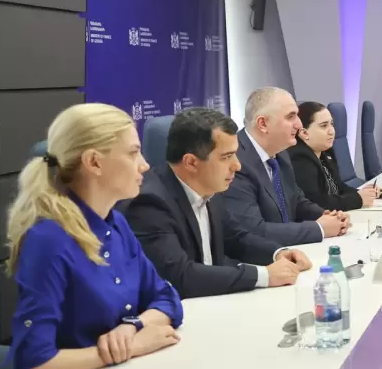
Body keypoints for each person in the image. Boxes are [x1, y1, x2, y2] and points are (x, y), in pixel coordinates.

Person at [5, 104, 183, 369]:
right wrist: (129, 348)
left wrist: (132, 326)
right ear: (94, 162)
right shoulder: (48, 241)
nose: (144, 165)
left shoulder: (116, 223)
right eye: (132, 153)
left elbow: (167, 298)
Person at [122, 108, 314, 299]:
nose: (237, 165)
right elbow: (180, 276)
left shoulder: (209, 186)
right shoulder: (150, 203)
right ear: (191, 162)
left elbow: (236, 238)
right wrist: (264, 276)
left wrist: (278, 253)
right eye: (226, 157)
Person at [216, 87, 349, 246]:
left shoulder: (281, 153)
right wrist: (319, 229)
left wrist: (328, 216)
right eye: (290, 117)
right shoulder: (236, 162)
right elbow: (252, 231)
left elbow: (296, 200)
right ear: (263, 123)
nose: (299, 124)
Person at [289, 101, 378, 212]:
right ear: (304, 133)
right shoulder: (299, 159)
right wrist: (358, 199)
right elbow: (318, 203)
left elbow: (339, 187)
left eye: (332, 124)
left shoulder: (326, 151)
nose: (332, 131)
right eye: (324, 126)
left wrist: (362, 193)